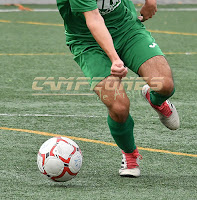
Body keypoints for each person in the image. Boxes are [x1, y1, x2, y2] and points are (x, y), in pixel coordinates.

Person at [56, 0, 180, 177]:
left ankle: (157, 101)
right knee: (119, 107)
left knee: (165, 85)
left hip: (127, 28)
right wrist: (114, 58)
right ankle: (130, 154)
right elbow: (94, 19)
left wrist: (150, 1)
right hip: (88, 42)